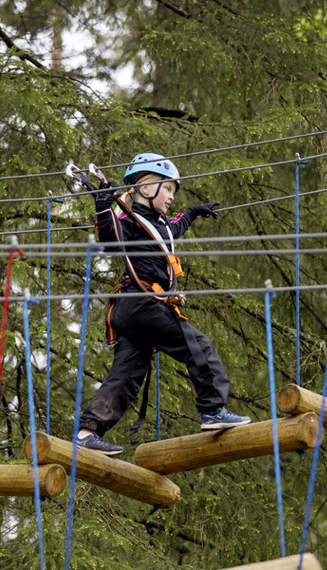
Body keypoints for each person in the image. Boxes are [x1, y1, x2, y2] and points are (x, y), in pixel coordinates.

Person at [74, 153, 251, 456]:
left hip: (132, 312)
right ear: (144, 189)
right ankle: (212, 410)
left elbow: (175, 228)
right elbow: (108, 238)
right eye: (167, 189)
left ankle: (87, 432)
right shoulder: (128, 221)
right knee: (198, 346)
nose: (172, 196)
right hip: (143, 303)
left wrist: (194, 212)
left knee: (128, 372)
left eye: (173, 190)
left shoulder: (162, 226)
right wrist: (103, 205)